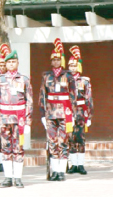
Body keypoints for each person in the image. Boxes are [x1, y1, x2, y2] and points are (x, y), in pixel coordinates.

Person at [0, 48, 32, 188]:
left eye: (13, 61)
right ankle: (8, 177)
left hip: (19, 120)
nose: (10, 64)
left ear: (17, 63)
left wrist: (28, 121)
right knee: (5, 148)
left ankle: (18, 177)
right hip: (4, 119)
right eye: (8, 62)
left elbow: (29, 101)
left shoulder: (24, 80)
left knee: (18, 148)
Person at [39, 38, 77, 181]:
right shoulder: (46, 76)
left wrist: (72, 114)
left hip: (65, 113)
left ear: (61, 60)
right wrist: (42, 114)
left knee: (63, 142)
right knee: (52, 142)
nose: (55, 62)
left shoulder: (68, 76)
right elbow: (42, 96)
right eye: (53, 59)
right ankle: (54, 171)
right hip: (50, 113)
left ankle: (61, 171)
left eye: (58, 59)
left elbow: (73, 96)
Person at [67, 45, 92, 175]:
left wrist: (89, 116)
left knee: (81, 138)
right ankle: (73, 164)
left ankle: (81, 164)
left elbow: (89, 99)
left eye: (74, 65)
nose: (72, 68)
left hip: (81, 113)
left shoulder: (85, 81)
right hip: (69, 112)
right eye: (70, 65)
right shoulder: (65, 80)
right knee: (71, 138)